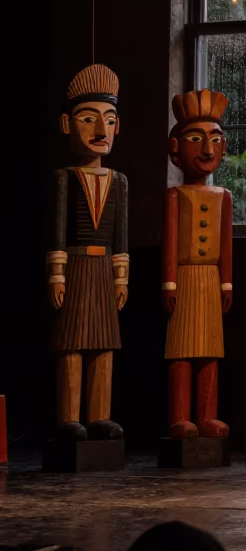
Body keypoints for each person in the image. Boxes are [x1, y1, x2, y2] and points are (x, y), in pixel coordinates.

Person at [48, 64, 128, 442]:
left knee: (105, 343)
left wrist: (121, 275)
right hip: (77, 266)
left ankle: (100, 415)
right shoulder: (65, 177)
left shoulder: (119, 182)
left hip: (103, 270)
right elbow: (58, 230)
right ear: (67, 124)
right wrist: (57, 273)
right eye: (87, 118)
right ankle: (69, 416)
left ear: (118, 126)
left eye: (108, 120)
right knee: (73, 342)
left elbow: (122, 234)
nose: (100, 130)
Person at [162, 89, 233, 441]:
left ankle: (207, 417)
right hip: (186, 278)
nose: (206, 149)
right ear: (175, 147)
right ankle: (179, 417)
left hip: (210, 279)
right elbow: (172, 243)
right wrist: (169, 282)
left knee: (209, 351)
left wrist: (227, 283)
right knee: (181, 350)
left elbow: (226, 245)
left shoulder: (224, 197)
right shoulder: (176, 195)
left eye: (214, 140)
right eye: (195, 139)